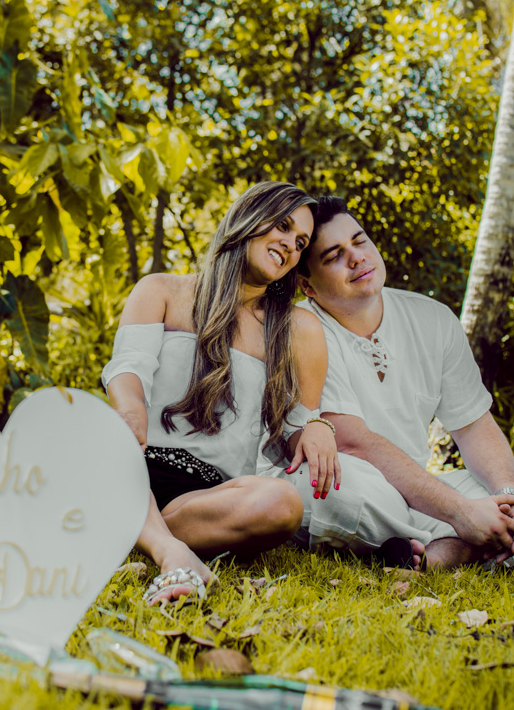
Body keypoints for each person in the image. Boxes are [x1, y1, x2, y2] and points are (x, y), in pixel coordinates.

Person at [102, 181, 340, 603]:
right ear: (248, 216)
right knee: (76, 426)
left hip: (210, 500)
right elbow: (128, 369)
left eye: (300, 242)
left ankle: (130, 530)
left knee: (282, 504)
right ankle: (169, 549)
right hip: (131, 468)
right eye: (282, 226)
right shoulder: (162, 290)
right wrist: (130, 409)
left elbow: (293, 432)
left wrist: (316, 427)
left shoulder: (297, 329)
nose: (289, 244)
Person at [260, 195, 514, 570]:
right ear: (307, 286)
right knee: (341, 488)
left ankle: (427, 555)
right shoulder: (301, 328)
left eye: (360, 241)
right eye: (333, 256)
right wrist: (461, 513)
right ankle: (463, 543)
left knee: (490, 494)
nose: (357, 257)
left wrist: (506, 497)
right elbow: (350, 440)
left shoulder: (434, 319)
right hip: (340, 478)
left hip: (416, 490)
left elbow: (475, 426)